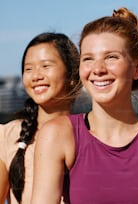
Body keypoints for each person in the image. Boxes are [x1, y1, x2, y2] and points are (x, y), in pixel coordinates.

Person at [31, 7, 138, 204]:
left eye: (111, 57)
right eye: (88, 59)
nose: (98, 69)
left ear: (137, 68)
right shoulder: (57, 135)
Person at [0, 32, 81, 204]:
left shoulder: (90, 134)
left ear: (72, 75)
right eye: (28, 69)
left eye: (45, 66)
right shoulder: (8, 134)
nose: (36, 76)